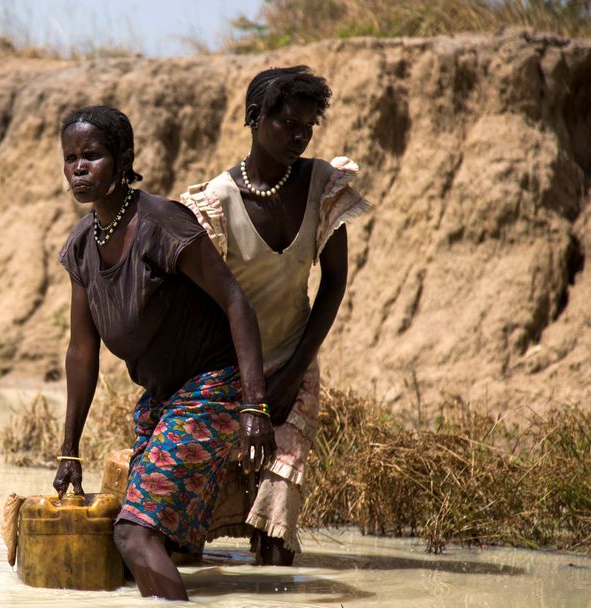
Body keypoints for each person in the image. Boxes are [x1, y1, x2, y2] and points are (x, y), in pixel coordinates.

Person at [52, 105, 276, 601]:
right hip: (162, 397)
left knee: (133, 534)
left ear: (123, 158)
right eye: (70, 158)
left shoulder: (160, 223)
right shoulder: (81, 246)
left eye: (93, 156)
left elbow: (237, 303)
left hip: (212, 387)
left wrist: (254, 406)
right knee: (149, 548)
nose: (79, 168)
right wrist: (70, 449)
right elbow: (81, 350)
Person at [180, 66, 371, 566]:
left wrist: (292, 374)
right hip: (226, 370)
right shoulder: (216, 204)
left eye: (308, 126)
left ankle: (271, 594)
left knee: (278, 503)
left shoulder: (323, 187)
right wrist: (250, 394)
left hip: (295, 356)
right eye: (288, 123)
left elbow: (333, 284)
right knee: (193, 508)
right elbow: (203, 304)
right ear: (253, 118)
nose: (300, 136)